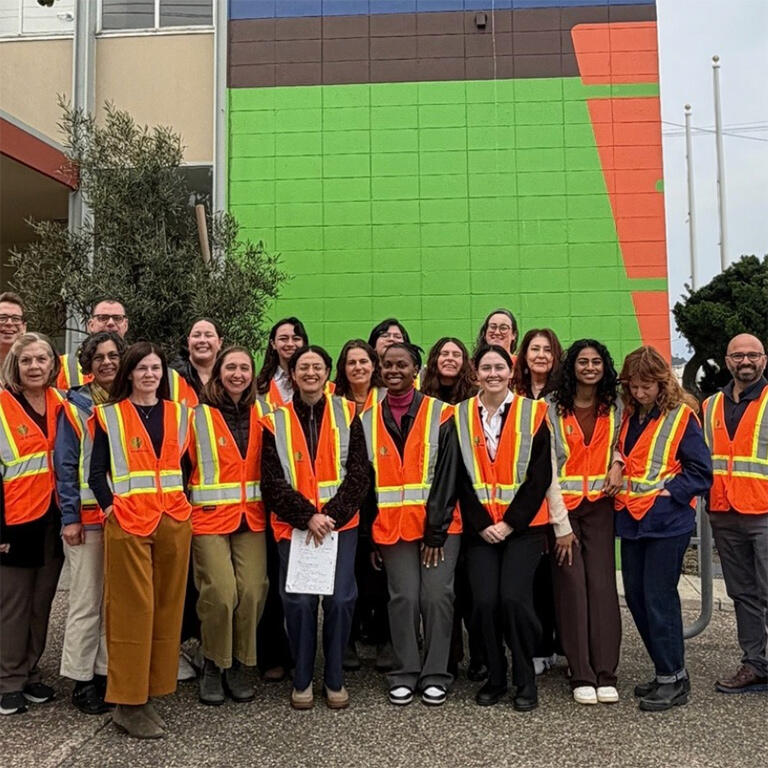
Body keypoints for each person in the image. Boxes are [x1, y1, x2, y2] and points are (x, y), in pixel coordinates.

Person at [88, 342, 193, 738]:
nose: (150, 374)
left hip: (172, 522)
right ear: (128, 373)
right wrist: (110, 509)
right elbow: (96, 473)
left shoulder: (180, 414)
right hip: (129, 523)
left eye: (156, 368)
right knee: (133, 612)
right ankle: (127, 704)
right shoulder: (109, 416)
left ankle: (151, 693)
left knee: (166, 610)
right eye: (142, 368)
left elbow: (186, 467)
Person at [260, 345, 370, 710]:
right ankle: (303, 678)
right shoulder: (273, 419)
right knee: (299, 601)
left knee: (341, 600)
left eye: (317, 367)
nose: (310, 373)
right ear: (293, 375)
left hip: (340, 525)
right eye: (303, 367)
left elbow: (358, 474)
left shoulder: (349, 413)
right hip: (295, 527)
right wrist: (307, 516)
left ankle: (335, 677)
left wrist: (331, 516)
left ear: (327, 374)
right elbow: (272, 480)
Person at [450, 344, 554, 712]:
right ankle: (496, 676)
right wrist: (483, 525)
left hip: (523, 529)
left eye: (499, 367)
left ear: (511, 371)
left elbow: (541, 475)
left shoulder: (535, 413)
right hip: (480, 530)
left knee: (513, 599)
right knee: (482, 601)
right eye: (485, 368)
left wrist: (509, 523)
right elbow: (459, 477)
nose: (492, 374)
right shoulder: (459, 416)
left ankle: (525, 678)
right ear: (475, 372)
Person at [361, 342, 461, 707]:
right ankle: (404, 672)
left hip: (440, 527)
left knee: (437, 596)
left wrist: (435, 530)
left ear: (416, 370)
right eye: (387, 365)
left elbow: (450, 478)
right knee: (403, 598)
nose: (393, 370)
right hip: (391, 528)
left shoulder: (443, 415)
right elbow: (365, 485)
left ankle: (435, 674)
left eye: (401, 364)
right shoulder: (367, 420)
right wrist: (370, 537)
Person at [615, 346, 712, 712]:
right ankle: (665, 672)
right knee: (638, 598)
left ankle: (673, 678)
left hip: (666, 521)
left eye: (646, 387)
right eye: (634, 387)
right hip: (633, 519)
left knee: (659, 599)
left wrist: (670, 495)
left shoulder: (681, 417)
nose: (639, 393)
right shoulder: (629, 416)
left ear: (661, 384)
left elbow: (701, 472)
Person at [188, 346, 270, 706]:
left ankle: (239, 663)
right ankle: (212, 663)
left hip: (251, 517)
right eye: (231, 367)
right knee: (220, 594)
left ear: (253, 374)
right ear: (219, 372)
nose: (238, 374)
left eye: (244, 368)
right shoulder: (196, 416)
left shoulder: (265, 413)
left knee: (252, 591)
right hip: (208, 517)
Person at [547, 339, 624, 705]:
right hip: (563, 510)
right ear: (571, 367)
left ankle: (606, 671)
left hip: (601, 508)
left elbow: (625, 445)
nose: (590, 367)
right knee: (572, 587)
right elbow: (544, 465)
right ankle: (581, 672)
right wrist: (559, 522)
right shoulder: (550, 408)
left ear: (604, 367)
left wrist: (619, 463)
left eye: (596, 362)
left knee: (602, 587)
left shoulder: (616, 405)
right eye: (583, 361)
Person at [54, 331, 126, 715]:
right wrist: (69, 517)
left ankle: (104, 674)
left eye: (114, 355)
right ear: (87, 363)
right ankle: (82, 681)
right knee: (86, 601)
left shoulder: (130, 402)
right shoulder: (74, 405)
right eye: (99, 357)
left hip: (124, 518)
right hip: (85, 518)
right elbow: (65, 466)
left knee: (112, 601)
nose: (107, 362)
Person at [0, 333, 64, 717]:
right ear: (15, 366)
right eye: (27, 361)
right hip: (14, 522)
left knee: (42, 603)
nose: (36, 367)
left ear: (52, 365)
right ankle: (7, 680)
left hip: (54, 519)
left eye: (42, 359)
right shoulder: (1, 406)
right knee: (13, 606)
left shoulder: (62, 403)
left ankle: (29, 672)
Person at [702, 333, 768, 693]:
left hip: (763, 513)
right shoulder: (710, 405)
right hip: (724, 512)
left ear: (764, 360)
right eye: (738, 355)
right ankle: (754, 664)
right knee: (742, 593)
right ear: (727, 361)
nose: (746, 361)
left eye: (753, 355)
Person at [420, 338, 484, 681]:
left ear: (465, 363)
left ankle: (479, 655)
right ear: (434, 359)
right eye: (443, 353)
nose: (448, 358)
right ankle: (448, 656)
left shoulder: (473, 401)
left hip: (470, 505)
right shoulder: (423, 400)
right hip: (431, 507)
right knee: (441, 590)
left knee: (471, 588)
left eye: (455, 354)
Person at [512, 328, 565, 675]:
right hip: (523, 498)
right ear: (524, 355)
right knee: (529, 580)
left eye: (547, 349)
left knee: (553, 580)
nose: (541, 355)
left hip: (561, 495)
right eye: (534, 349)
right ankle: (533, 644)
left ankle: (554, 645)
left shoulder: (564, 396)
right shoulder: (512, 394)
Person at [332, 340, 388, 672]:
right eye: (351, 362)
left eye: (363, 361)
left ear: (373, 365)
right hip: (346, 495)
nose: (358, 367)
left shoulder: (385, 400)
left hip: (383, 494)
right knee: (348, 572)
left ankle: (384, 639)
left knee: (379, 573)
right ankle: (348, 641)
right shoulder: (334, 404)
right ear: (344, 368)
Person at [58, 297, 129, 389]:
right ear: (91, 325)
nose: (111, 323)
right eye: (103, 318)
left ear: (126, 325)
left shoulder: (141, 362)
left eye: (117, 318)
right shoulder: (62, 365)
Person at [255, 317, 308, 409]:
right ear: (273, 344)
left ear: (304, 343)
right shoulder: (258, 386)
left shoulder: (318, 383)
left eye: (296, 338)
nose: (290, 344)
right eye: (283, 339)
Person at [170, 318, 223, 407]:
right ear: (188, 342)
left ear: (219, 343)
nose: (202, 340)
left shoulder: (229, 377)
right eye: (196, 335)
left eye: (208, 335)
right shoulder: (172, 377)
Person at [0, 292, 27, 384]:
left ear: (24, 327)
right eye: (2, 318)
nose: (9, 323)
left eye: (15, 318)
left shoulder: (35, 367)